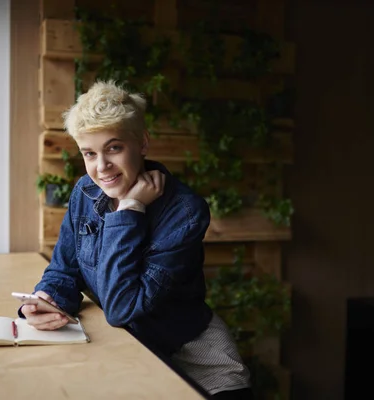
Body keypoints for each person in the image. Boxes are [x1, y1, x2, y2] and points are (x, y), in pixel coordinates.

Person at [19, 80, 252, 399]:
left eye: (114, 148)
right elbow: (65, 269)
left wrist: (130, 208)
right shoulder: (84, 193)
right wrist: (48, 299)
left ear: (142, 143)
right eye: (89, 153)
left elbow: (122, 307)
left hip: (191, 353)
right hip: (126, 345)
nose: (102, 168)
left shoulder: (184, 211)